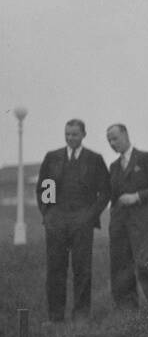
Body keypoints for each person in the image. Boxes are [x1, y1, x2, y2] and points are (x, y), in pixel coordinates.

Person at [37, 119, 111, 322]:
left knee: (82, 270)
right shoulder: (52, 158)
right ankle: (55, 317)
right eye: (67, 134)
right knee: (55, 269)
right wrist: (49, 214)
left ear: (83, 135)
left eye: (74, 134)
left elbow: (105, 192)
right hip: (57, 221)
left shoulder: (94, 159)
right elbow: (45, 189)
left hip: (82, 221)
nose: (70, 138)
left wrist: (90, 216)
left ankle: (81, 316)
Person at [105, 123, 148, 310]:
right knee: (122, 268)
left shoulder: (146, 158)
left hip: (144, 223)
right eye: (109, 140)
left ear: (126, 135)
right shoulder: (114, 167)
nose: (112, 143)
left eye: (115, 138)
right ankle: (129, 313)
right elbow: (113, 196)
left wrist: (137, 197)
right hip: (120, 225)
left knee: (143, 265)